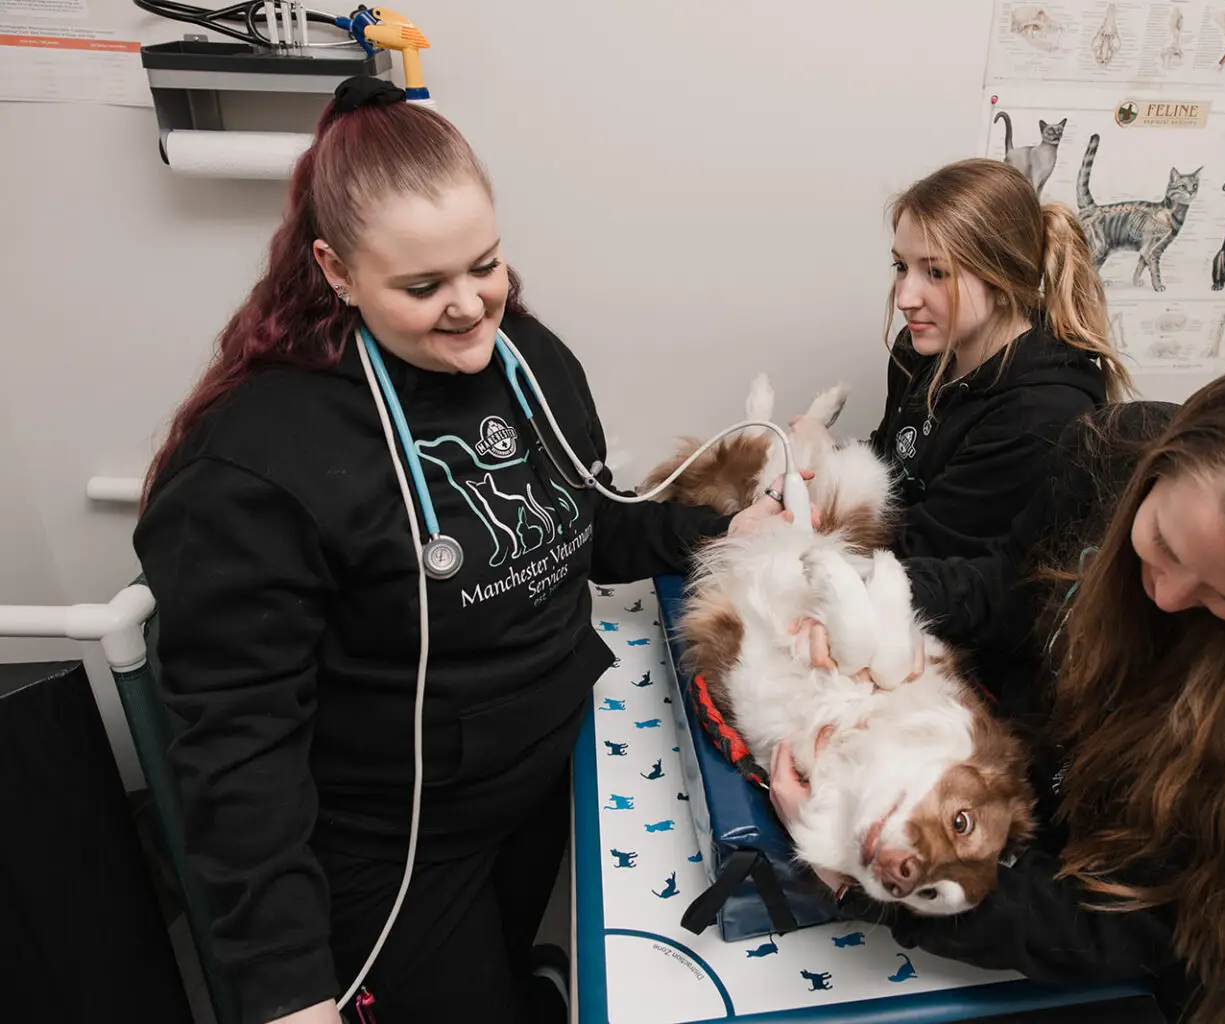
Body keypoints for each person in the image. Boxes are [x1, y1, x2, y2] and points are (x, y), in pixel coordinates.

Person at [133, 78, 800, 1024]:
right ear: (335, 269)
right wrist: (290, 992)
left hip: (537, 787)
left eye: (484, 266)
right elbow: (239, 747)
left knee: (505, 969)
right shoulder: (255, 466)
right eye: (423, 287)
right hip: (398, 844)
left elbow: (589, 521)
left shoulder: (528, 357)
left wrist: (716, 532)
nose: (471, 309)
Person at [771, 338, 1225, 1024]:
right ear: (1152, 470)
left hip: (1098, 958)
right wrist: (868, 590)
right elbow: (1009, 582)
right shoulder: (1103, 451)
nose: (1168, 595)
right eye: (1159, 544)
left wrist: (867, 880)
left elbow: (1134, 931)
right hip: (1012, 850)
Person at [865, 157, 1133, 560]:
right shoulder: (917, 350)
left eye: (936, 273)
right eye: (901, 266)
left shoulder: (1040, 413)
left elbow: (927, 553)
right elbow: (889, 461)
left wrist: (813, 521)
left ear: (1003, 279)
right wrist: (811, 475)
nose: (905, 297)